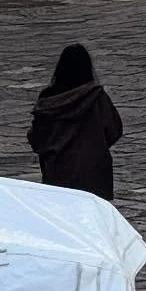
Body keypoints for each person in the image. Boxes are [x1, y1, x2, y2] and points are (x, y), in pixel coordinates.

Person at [26, 43, 123, 202]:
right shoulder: (97, 97)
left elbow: (37, 138)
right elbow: (114, 130)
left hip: (58, 170)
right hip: (94, 172)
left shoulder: (48, 99)